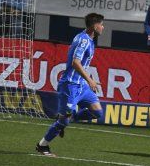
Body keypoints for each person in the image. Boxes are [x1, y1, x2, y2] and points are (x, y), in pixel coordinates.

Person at [36, 13, 105, 157]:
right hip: (70, 86)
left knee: (97, 112)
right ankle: (42, 145)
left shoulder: (87, 38)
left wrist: (86, 81)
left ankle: (69, 117)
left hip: (81, 86)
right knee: (63, 122)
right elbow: (75, 62)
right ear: (94, 26)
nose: (103, 27)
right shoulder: (83, 40)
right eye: (101, 24)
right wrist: (90, 80)